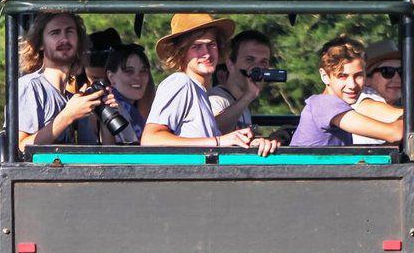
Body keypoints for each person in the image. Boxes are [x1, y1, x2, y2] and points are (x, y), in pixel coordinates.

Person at [141, 14, 279, 156]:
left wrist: (251, 143)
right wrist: (218, 141)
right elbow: (150, 139)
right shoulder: (181, 83)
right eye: (196, 46)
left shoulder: (200, 92)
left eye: (211, 45)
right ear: (181, 52)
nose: (206, 53)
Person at [17, 13, 117, 152]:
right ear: (40, 44)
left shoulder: (76, 100)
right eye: (55, 33)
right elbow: (20, 148)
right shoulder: (30, 87)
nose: (64, 39)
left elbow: (95, 156)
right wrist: (69, 115)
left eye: (70, 31)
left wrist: (106, 118)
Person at [290, 36, 404, 146]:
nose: (352, 85)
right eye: (342, 76)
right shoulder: (325, 104)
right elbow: (394, 133)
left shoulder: (335, 106)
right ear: (324, 76)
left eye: (358, 76)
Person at [352, 39, 414, 145]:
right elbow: (374, 109)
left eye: (402, 72)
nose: (397, 78)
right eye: (387, 72)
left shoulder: (398, 104)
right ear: (367, 79)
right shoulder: (361, 96)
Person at [209, 30, 272, 134]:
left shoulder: (243, 105)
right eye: (249, 60)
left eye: (263, 62)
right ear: (230, 65)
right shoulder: (216, 99)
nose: (257, 67)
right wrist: (249, 95)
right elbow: (213, 131)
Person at [99, 43, 155, 144]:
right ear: (111, 77)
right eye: (129, 71)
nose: (138, 78)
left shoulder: (135, 111)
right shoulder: (108, 106)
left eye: (143, 71)